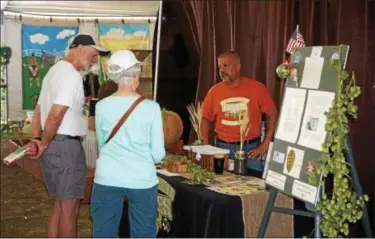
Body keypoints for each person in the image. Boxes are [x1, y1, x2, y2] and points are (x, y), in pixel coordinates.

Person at [27, 34, 110, 237]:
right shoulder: (70, 75)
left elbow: (38, 111)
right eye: (93, 54)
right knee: (70, 209)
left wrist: (38, 139)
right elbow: (55, 115)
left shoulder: (53, 71)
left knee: (61, 204)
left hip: (57, 145)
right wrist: (44, 142)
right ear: (80, 48)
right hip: (64, 147)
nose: (94, 60)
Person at [90, 50, 165, 238]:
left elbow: (102, 145)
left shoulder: (101, 106)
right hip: (142, 179)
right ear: (135, 74)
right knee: (143, 233)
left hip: (106, 177)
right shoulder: (151, 108)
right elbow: (158, 154)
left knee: (104, 233)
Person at [201, 51, 278, 174]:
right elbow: (205, 119)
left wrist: (266, 143)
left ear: (238, 67)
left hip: (252, 149)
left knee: (254, 188)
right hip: (223, 148)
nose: (222, 70)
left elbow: (272, 113)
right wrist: (205, 144)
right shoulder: (214, 91)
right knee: (222, 187)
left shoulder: (257, 88)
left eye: (226, 65)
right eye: (219, 67)